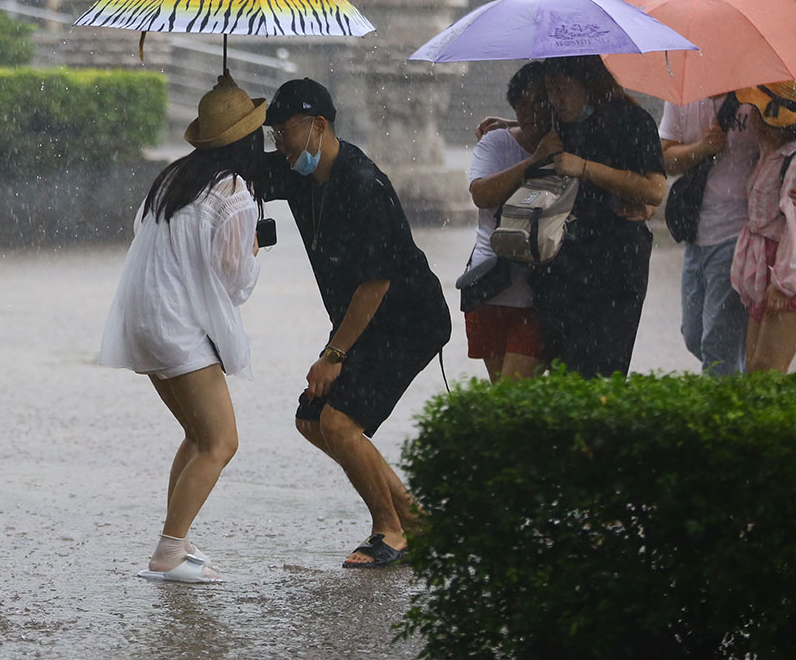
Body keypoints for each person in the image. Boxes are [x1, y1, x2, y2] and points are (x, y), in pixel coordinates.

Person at [251, 78, 451, 568]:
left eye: (287, 134)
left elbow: (376, 283)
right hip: (364, 320)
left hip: (407, 319)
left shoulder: (363, 184)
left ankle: (391, 530)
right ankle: (416, 518)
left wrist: (334, 355)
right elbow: (243, 170)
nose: (282, 146)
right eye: (274, 136)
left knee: (339, 423)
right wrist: (235, 112)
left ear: (319, 126)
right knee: (311, 420)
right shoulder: (300, 172)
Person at [99, 74, 264, 583]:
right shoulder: (234, 191)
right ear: (249, 140)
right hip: (178, 324)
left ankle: (178, 541)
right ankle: (169, 552)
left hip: (143, 316)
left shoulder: (174, 178)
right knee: (221, 441)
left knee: (197, 433)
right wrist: (255, 250)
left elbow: (148, 240)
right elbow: (235, 281)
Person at [660, 94, 796, 374]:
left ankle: (724, 411)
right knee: (695, 336)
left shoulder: (758, 96)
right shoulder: (683, 93)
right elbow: (665, 160)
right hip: (696, 234)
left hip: (741, 237)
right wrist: (704, 147)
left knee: (718, 348)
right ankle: (739, 390)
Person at [532, 55, 666, 377]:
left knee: (604, 368)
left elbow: (654, 190)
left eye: (563, 89)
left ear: (588, 85)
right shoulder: (555, 123)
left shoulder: (632, 121)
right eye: (550, 90)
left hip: (616, 262)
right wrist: (508, 127)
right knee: (564, 366)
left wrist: (585, 168)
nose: (556, 99)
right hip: (562, 261)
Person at [463, 62, 557, 382]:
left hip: (538, 293)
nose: (536, 111)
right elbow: (481, 194)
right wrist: (533, 162)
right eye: (526, 103)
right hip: (490, 284)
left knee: (513, 394)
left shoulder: (569, 149)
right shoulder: (496, 143)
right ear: (515, 105)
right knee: (503, 397)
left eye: (544, 102)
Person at [729, 76, 796, 372]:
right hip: (765, 270)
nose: (751, 120)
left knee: (766, 372)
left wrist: (784, 285)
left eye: (756, 112)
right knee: (754, 372)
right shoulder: (769, 154)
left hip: (792, 274)